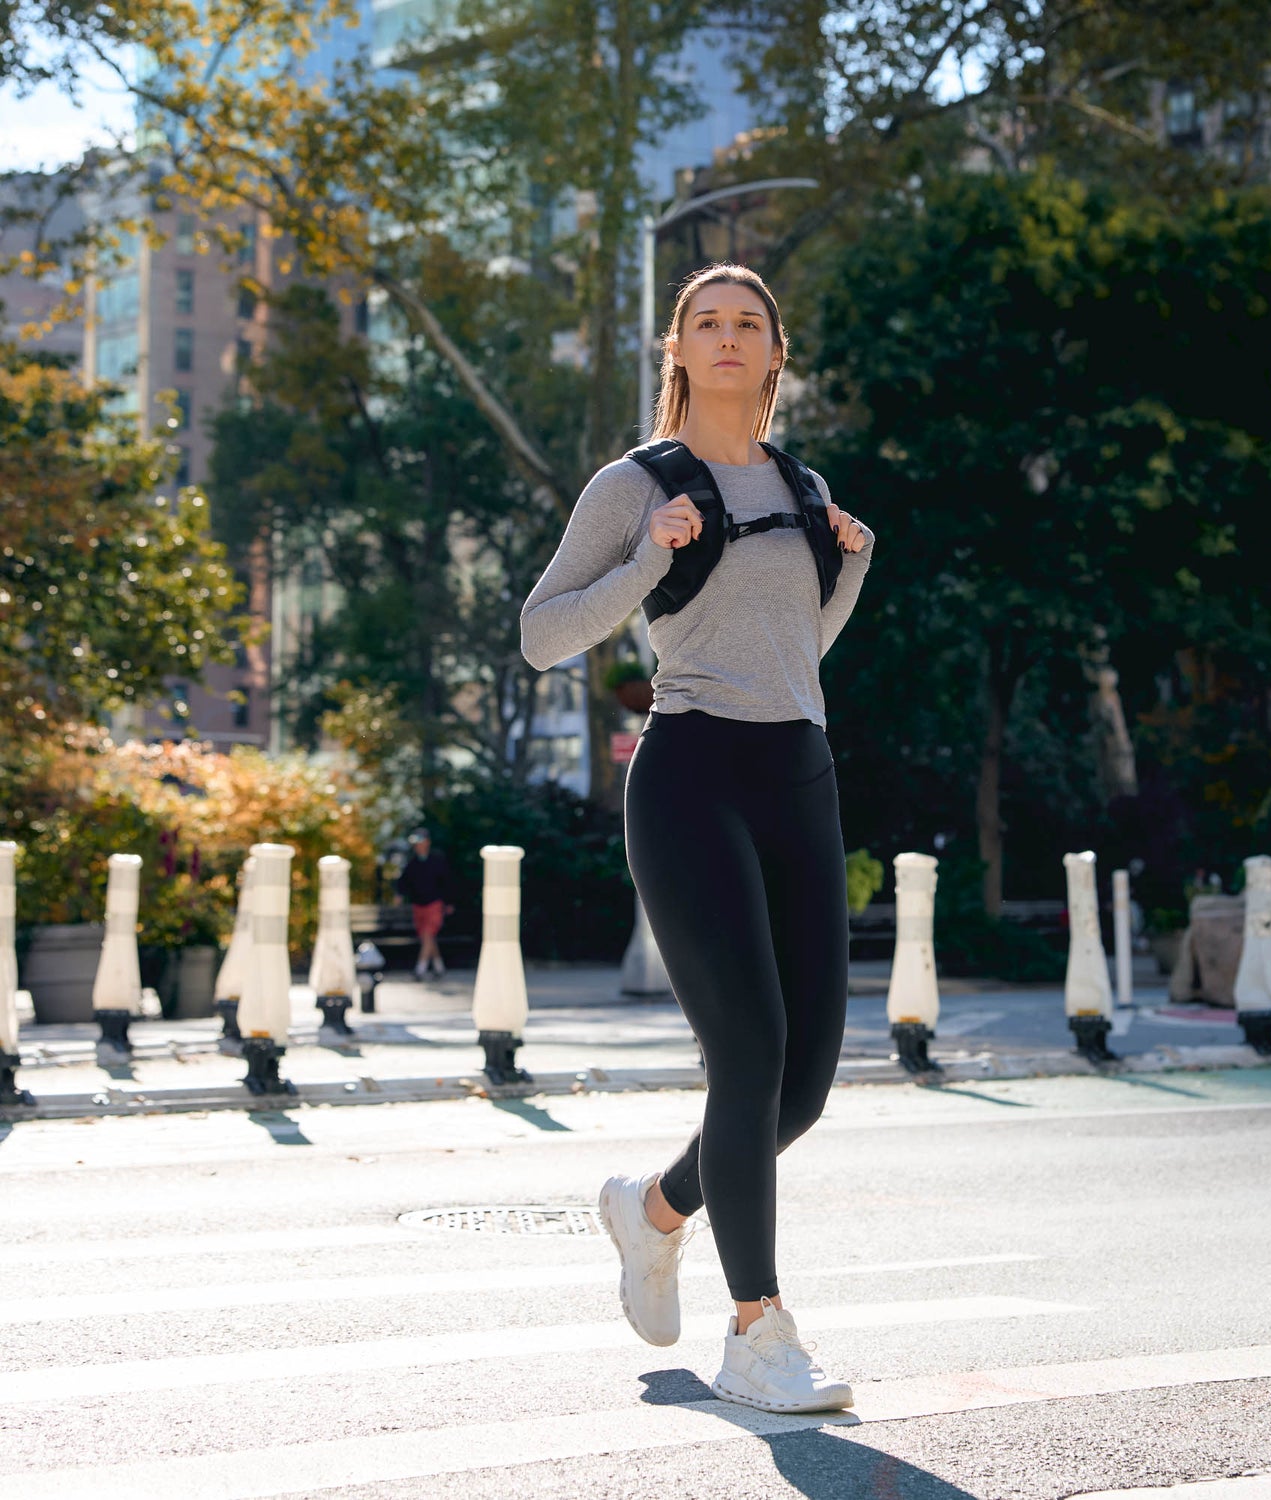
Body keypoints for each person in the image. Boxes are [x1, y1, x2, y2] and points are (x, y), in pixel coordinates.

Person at [519, 262, 875, 1414]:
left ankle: (654, 1210)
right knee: (752, 1050)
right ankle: (758, 1332)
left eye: (750, 325)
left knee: (805, 1087)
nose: (728, 339)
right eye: (706, 324)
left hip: (799, 772)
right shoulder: (635, 484)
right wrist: (647, 557)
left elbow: (797, 646)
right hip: (691, 775)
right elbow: (542, 635)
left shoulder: (801, 482)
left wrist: (852, 564)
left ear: (778, 353)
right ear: (677, 350)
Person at [394, 828, 452, 979]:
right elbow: (403, 882)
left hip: (434, 904)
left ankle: (420, 969)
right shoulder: (412, 863)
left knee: (428, 934)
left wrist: (449, 902)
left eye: (421, 842)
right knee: (427, 937)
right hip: (418, 905)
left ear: (427, 842)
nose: (418, 845)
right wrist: (399, 895)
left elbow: (447, 883)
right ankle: (439, 967)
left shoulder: (438, 860)